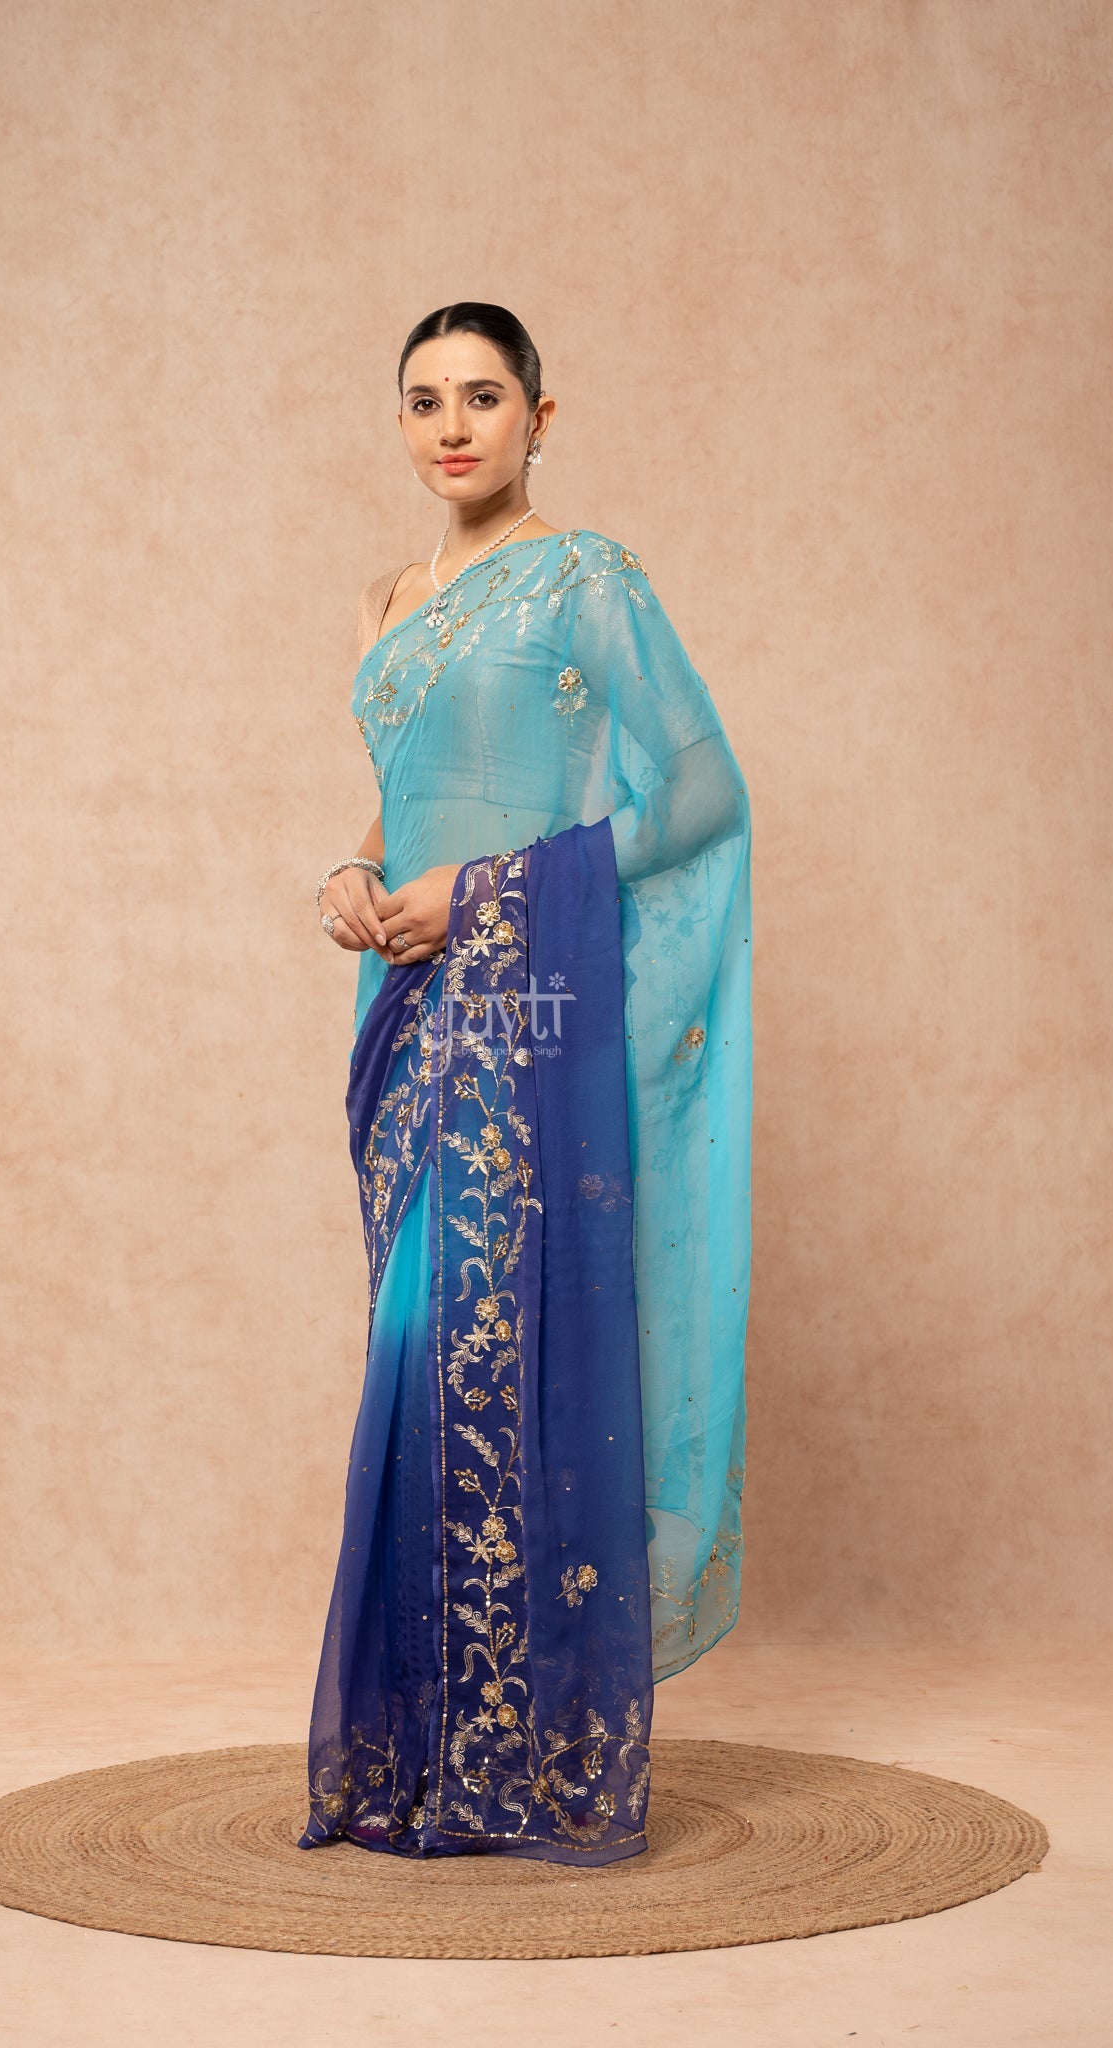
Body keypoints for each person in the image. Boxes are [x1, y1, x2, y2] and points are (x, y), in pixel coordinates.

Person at [298, 303, 752, 1866]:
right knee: (420, 1356)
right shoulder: (385, 601)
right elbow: (404, 795)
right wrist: (354, 871)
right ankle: (431, 1749)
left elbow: (702, 789)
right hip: (405, 1005)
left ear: (541, 419)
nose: (452, 426)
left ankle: (531, 1755)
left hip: (523, 1008)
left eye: (483, 396)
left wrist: (489, 896)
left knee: (488, 1347)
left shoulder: (585, 580)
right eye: (424, 399)